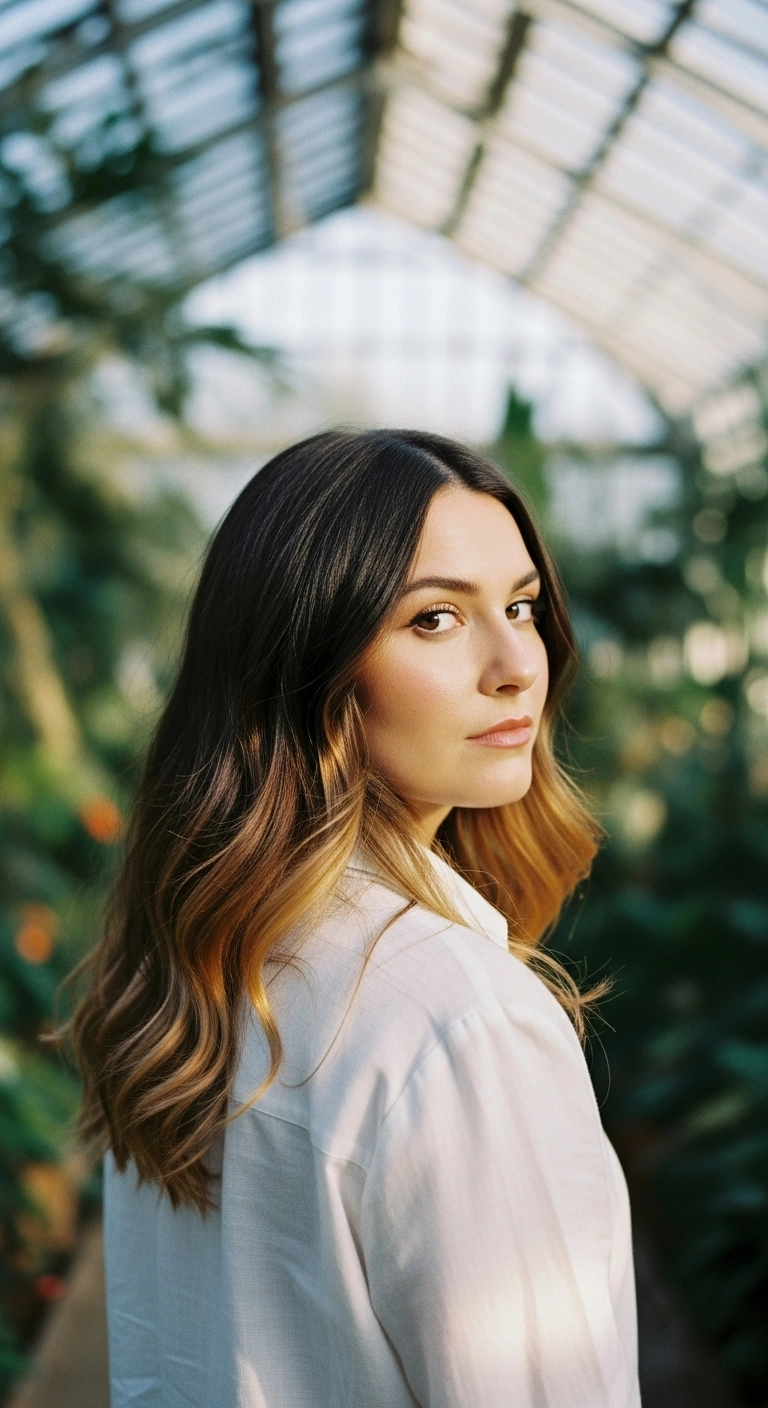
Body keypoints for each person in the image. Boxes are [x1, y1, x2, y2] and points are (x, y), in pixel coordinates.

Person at [69, 430, 641, 1407]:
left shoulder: (194, 972)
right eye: (433, 619)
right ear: (306, 662)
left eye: (520, 606)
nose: (517, 665)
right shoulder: (463, 1026)